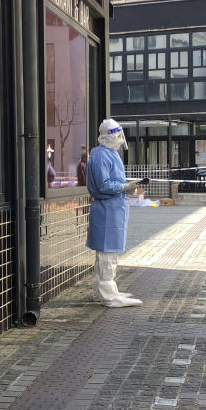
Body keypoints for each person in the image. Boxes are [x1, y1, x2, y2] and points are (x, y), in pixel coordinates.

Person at [87, 119, 144, 308]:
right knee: (108, 255)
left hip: (113, 209)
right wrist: (124, 186)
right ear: (110, 136)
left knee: (106, 254)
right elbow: (103, 185)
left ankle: (101, 291)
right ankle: (108, 295)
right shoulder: (100, 155)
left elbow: (113, 181)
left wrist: (128, 188)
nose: (121, 139)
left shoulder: (108, 154)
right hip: (107, 211)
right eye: (118, 135)